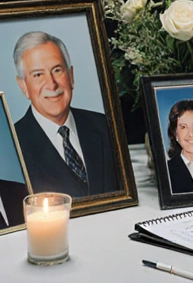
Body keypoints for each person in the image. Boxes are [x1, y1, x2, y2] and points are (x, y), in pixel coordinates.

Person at [12, 31, 122, 196]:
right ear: (23, 86)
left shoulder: (105, 126)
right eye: (38, 75)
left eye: (57, 70)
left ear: (71, 76)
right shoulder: (13, 147)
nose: (51, 84)